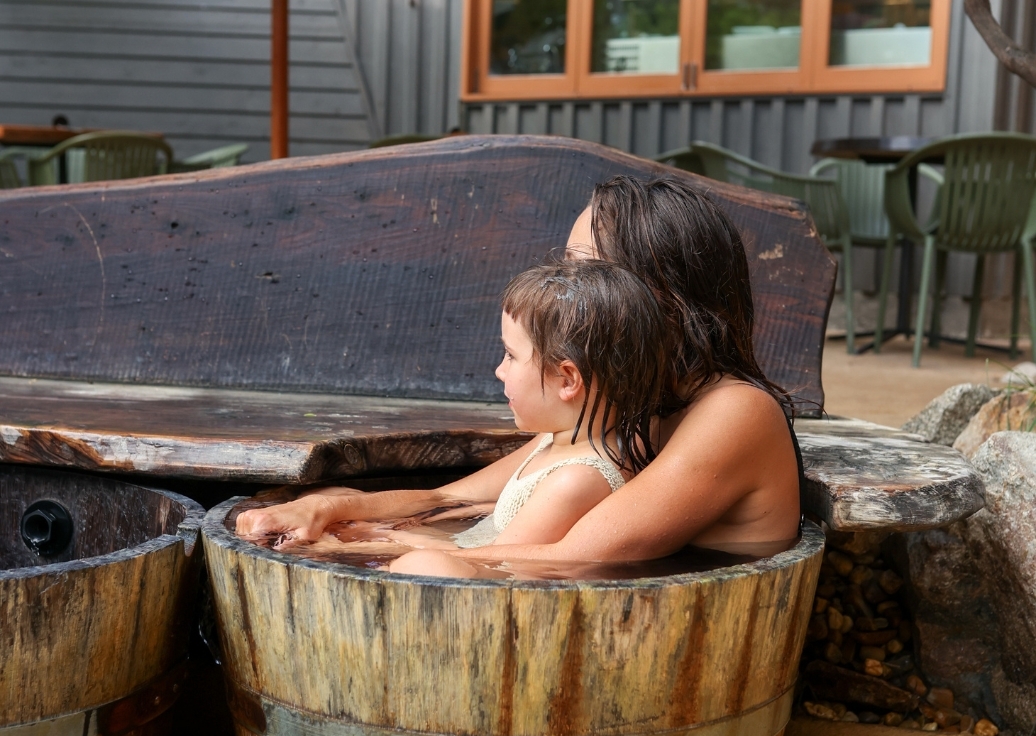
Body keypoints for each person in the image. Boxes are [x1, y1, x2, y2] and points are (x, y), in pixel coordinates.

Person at [235, 174, 801, 570]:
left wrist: (373, 558)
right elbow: (455, 500)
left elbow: (579, 556)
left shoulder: (733, 410)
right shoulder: (632, 397)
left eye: (584, 269)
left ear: (658, 294)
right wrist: (329, 507)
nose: (562, 284)